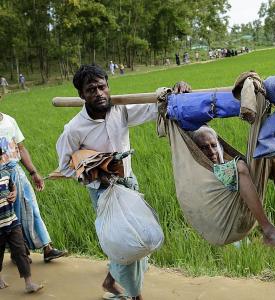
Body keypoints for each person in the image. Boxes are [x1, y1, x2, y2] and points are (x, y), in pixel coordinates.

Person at [56, 64, 190, 300]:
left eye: (102, 86)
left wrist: (174, 91)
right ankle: (134, 295)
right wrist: (97, 172)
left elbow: (156, 107)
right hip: (104, 193)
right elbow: (66, 166)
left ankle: (111, 280)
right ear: (81, 95)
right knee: (127, 242)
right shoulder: (74, 129)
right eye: (91, 89)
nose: (98, 93)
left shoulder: (121, 111)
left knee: (138, 237)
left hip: (129, 184)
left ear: (108, 87)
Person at [191, 126, 275, 252]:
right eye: (204, 147)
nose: (211, 151)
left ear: (219, 146)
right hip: (224, 222)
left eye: (213, 145)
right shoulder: (204, 171)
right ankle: (268, 229)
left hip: (241, 211)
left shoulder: (226, 165)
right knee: (240, 166)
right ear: (196, 151)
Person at [0, 112, 67, 264]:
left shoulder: (10, 121)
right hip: (0, 177)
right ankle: (18, 251)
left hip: (16, 171)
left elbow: (21, 148)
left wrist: (33, 172)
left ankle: (47, 248)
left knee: (32, 207)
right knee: (9, 215)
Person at [0, 167, 43, 294]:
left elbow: (12, 187)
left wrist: (14, 193)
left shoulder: (5, 173)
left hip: (11, 220)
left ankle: (29, 283)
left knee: (20, 251)